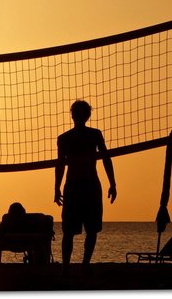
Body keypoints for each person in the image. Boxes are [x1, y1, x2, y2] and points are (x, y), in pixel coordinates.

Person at [54, 100, 117, 275]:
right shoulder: (92, 135)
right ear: (87, 116)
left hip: (77, 186)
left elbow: (60, 165)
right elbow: (106, 159)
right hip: (86, 186)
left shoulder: (67, 138)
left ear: (73, 115)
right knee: (87, 230)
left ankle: (69, 268)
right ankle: (82, 266)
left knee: (75, 231)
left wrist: (56, 188)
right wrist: (113, 183)